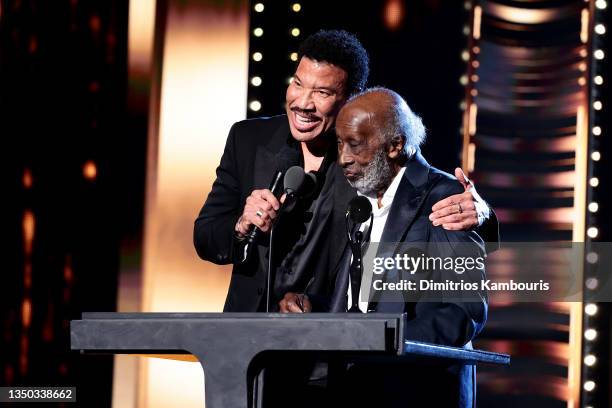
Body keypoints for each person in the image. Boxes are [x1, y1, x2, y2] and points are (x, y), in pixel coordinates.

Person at [194, 29, 494, 313]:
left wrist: (484, 215)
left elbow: (422, 191)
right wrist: (242, 225)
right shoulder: (248, 139)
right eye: (298, 83)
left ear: (352, 98)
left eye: (321, 92)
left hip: (329, 349)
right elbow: (206, 237)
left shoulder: (369, 156)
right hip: (245, 343)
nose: (302, 103)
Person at [281, 87, 487, 407]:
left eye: (355, 145)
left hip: (417, 392)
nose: (343, 158)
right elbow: (363, 304)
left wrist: (380, 340)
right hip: (354, 387)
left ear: (395, 145)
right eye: (339, 143)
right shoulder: (361, 201)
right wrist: (313, 305)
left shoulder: (445, 198)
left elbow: (464, 312)